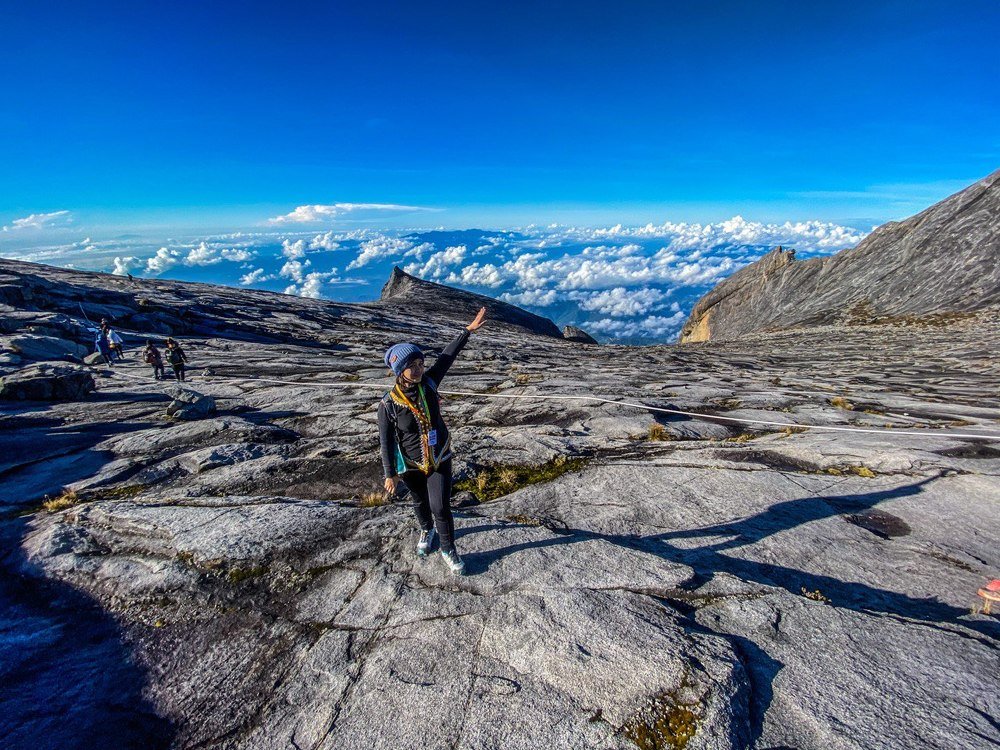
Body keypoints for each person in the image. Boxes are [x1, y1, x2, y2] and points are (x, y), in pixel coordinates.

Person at [378, 307, 487, 576]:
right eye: (411, 366)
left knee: (440, 506)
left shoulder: (429, 383)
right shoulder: (388, 405)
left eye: (420, 364)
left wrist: (467, 331)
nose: (418, 369)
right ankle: (426, 530)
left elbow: (447, 357)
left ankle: (448, 548)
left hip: (439, 456)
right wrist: (390, 474)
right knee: (420, 503)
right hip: (411, 464)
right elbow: (386, 442)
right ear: (399, 370)